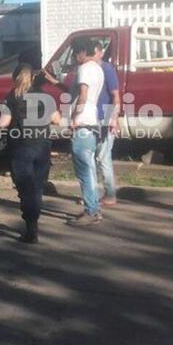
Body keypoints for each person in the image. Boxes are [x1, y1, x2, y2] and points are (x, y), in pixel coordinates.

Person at [0, 64, 61, 243]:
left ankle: (31, 228)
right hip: (42, 146)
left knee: (26, 189)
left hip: (20, 147)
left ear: (15, 78)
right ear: (33, 78)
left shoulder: (12, 96)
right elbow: (57, 119)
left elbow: (3, 123)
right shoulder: (45, 96)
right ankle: (34, 223)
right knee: (37, 187)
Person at [67, 39, 105, 227]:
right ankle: (93, 208)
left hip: (82, 123)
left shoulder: (84, 69)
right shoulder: (98, 68)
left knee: (84, 171)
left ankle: (91, 210)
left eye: (75, 53)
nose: (75, 57)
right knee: (89, 169)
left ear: (82, 52)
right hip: (91, 123)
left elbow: (83, 94)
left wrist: (74, 117)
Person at [94, 41, 121, 207]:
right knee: (98, 158)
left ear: (101, 53)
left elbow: (116, 96)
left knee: (103, 158)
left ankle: (110, 195)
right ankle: (99, 194)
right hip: (93, 119)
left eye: (97, 52)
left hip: (105, 119)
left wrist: (114, 118)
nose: (94, 55)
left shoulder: (107, 69)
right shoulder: (89, 70)